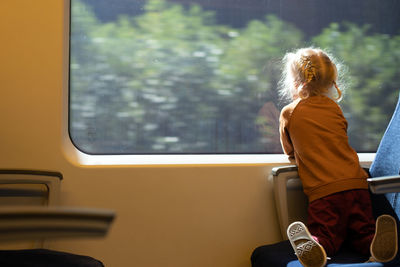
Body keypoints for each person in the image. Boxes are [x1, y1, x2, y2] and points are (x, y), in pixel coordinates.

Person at [278, 47, 398, 267]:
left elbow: (289, 150)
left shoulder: (290, 112)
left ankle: (317, 247)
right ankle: (374, 243)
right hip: (357, 184)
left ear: (294, 82)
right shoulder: (334, 109)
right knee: (361, 231)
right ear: (331, 81)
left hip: (325, 192)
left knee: (326, 234)